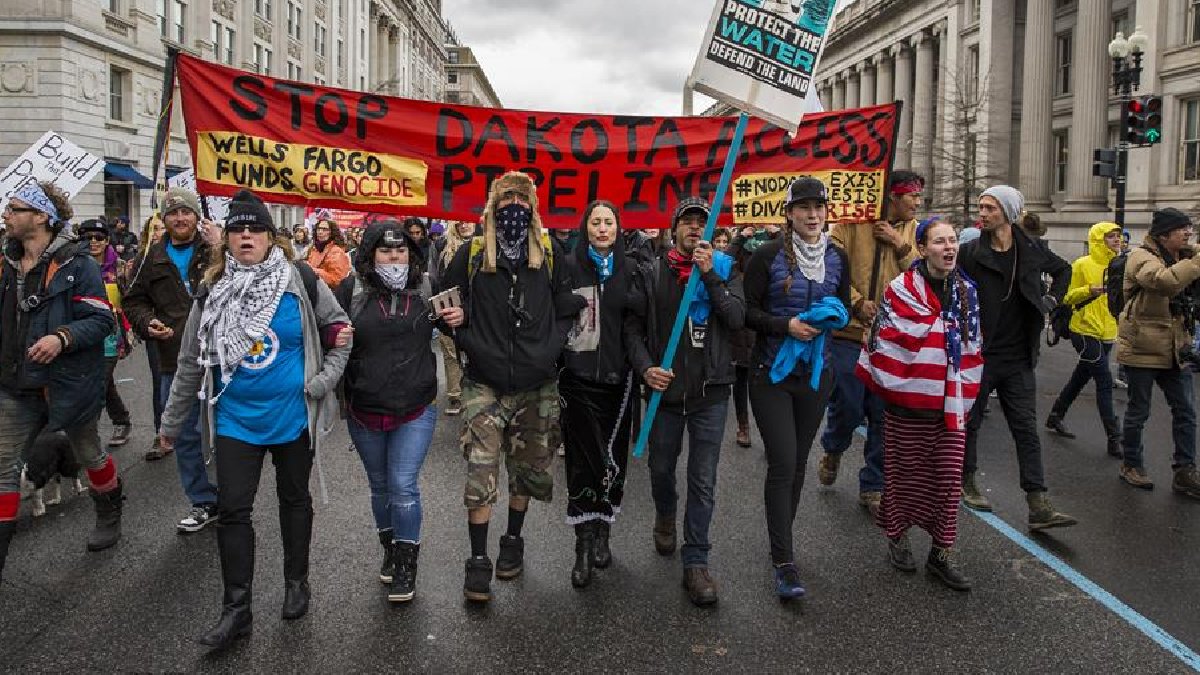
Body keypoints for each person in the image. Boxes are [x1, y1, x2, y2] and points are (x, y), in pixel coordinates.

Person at [160, 189, 350, 648]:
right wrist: (170, 423)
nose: (247, 236)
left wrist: (321, 382)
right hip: (234, 420)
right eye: (238, 229)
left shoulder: (301, 280)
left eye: (256, 229)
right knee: (233, 510)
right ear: (226, 238)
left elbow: (341, 332)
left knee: (294, 499)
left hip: (292, 416)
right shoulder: (212, 290)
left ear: (271, 237)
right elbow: (189, 362)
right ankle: (236, 609)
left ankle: (296, 582)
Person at [441, 171, 581, 603]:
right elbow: (443, 307)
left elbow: (567, 307)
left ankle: (512, 541)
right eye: (506, 200)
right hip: (484, 383)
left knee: (527, 470)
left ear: (533, 207)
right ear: (493, 207)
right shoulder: (471, 253)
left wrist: (549, 348)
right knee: (480, 472)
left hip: (536, 386)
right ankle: (477, 560)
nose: (514, 207)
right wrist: (466, 331)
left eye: (522, 200)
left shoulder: (550, 252)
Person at [0, 181, 121, 583]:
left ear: (41, 216)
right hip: (15, 383)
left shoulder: (78, 264)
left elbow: (101, 320)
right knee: (4, 469)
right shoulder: (5, 261)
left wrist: (62, 337)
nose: (6, 214)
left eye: (14, 208)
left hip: (65, 383)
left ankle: (109, 513)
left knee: (89, 454)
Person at [627, 196, 745, 606]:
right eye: (688, 221)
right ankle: (665, 513)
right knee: (661, 468)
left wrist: (709, 276)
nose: (696, 227)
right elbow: (632, 330)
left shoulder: (726, 269)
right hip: (665, 395)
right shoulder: (651, 271)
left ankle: (696, 560)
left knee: (703, 478)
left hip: (711, 392)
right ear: (673, 229)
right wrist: (646, 369)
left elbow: (736, 319)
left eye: (702, 222)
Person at [336, 219, 461, 602]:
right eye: (386, 251)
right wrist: (333, 336)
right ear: (370, 255)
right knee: (380, 487)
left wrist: (458, 320)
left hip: (415, 407)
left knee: (403, 485)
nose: (394, 258)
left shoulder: (427, 286)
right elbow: (325, 330)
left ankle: (408, 564)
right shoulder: (351, 290)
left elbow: (455, 329)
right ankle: (390, 551)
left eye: (401, 251)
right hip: (365, 407)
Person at [857, 218, 983, 591]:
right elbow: (886, 338)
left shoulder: (967, 292)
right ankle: (897, 537)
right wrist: (939, 333)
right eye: (939, 241)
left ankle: (941, 555)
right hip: (907, 404)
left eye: (952, 240)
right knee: (903, 478)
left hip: (949, 405)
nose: (949, 247)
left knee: (948, 482)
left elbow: (973, 343)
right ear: (923, 248)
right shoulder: (901, 290)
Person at [743, 177, 850, 600]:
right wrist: (784, 325)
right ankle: (784, 561)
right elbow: (747, 313)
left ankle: (781, 538)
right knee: (783, 461)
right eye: (804, 207)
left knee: (800, 462)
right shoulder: (766, 255)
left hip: (816, 375)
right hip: (770, 373)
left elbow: (842, 310)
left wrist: (831, 317)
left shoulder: (837, 258)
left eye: (818, 207)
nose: (812, 214)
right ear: (789, 213)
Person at [958, 186, 1077, 529]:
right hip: (979, 354)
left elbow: (1064, 271)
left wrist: (1050, 302)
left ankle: (1038, 503)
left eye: (990, 208)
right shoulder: (970, 252)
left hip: (1019, 357)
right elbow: (950, 286)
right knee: (971, 422)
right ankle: (967, 481)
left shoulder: (1032, 249)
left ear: (1008, 213)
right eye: (981, 207)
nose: (982, 214)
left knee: (1026, 428)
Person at [818, 170, 922, 518]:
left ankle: (873, 484)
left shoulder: (916, 231)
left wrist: (898, 243)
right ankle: (834, 446)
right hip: (849, 332)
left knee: (884, 414)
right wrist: (856, 302)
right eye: (912, 196)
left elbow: (924, 276)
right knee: (848, 404)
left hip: (893, 337)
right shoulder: (849, 224)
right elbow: (830, 269)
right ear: (892, 195)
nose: (917, 202)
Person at [123, 187, 219, 531]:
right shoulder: (150, 257)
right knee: (185, 434)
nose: (180, 218)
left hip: (220, 359)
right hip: (174, 359)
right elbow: (133, 301)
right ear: (163, 219)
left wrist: (220, 244)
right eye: (173, 213)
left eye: (186, 212)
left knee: (225, 432)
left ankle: (232, 494)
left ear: (197, 216)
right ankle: (203, 500)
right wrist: (147, 323)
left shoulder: (215, 250)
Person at [558, 200, 638, 588]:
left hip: (619, 382)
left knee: (612, 460)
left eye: (609, 222)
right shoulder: (568, 266)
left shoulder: (631, 268)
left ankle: (604, 529)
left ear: (617, 228)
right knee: (581, 463)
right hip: (577, 381)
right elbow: (554, 316)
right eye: (596, 222)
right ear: (585, 227)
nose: (603, 228)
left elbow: (637, 326)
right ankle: (582, 544)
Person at [1115, 208, 1200, 498]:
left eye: (1189, 228)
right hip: (1143, 347)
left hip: (1175, 349)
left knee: (1186, 411)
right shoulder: (1141, 257)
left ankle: (1185, 471)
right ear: (1164, 235)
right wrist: (1195, 262)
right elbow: (1164, 282)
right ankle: (1131, 464)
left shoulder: (1185, 255)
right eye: (1182, 229)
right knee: (1139, 410)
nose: (1188, 233)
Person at [1045, 222, 1123, 457]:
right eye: (1111, 236)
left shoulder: (1120, 265)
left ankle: (1055, 415)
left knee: (1081, 376)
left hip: (1108, 332)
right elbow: (1065, 297)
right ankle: (1114, 437)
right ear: (1099, 240)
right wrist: (1089, 290)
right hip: (1084, 329)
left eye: (1118, 236)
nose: (1117, 240)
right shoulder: (1081, 264)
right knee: (1104, 381)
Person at [78, 218, 132, 447]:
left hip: (112, 336)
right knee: (105, 382)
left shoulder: (121, 267)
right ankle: (122, 420)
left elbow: (132, 299)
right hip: (83, 333)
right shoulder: (74, 265)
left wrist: (130, 332)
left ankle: (87, 439)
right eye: (87, 237)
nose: (93, 242)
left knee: (98, 383)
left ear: (107, 240)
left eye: (99, 237)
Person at [432, 219, 478, 415]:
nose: (464, 225)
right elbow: (434, 277)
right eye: (460, 223)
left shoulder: (485, 245)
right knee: (451, 353)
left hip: (476, 309)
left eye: (468, 222)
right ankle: (455, 395)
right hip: (449, 304)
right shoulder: (442, 246)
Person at [306, 217, 351, 289]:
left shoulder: (337, 252)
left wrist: (313, 271)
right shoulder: (314, 249)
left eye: (324, 229)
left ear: (332, 232)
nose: (320, 232)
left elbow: (336, 279)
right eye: (318, 229)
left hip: (329, 293)